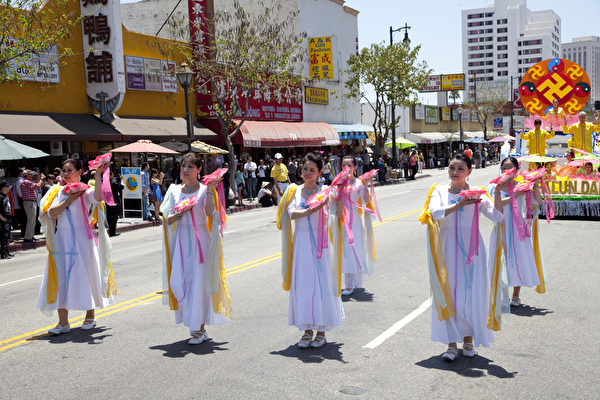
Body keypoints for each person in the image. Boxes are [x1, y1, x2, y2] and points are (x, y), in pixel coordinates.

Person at [419, 153, 505, 361]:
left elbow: (497, 216)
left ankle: (468, 340)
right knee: (449, 293)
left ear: (469, 172)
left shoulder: (478, 193)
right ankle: (451, 344)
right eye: (452, 168)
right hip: (447, 248)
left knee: (470, 293)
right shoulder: (439, 190)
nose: (455, 172)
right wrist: (460, 204)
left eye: (460, 169)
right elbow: (434, 213)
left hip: (472, 249)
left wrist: (498, 191)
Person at [37, 158, 115, 334]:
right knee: (61, 278)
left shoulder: (85, 191)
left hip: (82, 240)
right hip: (61, 240)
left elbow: (97, 198)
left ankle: (90, 315)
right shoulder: (57, 191)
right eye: (63, 171)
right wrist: (68, 200)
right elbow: (51, 213)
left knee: (86, 275)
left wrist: (98, 175)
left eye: (70, 170)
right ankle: (63, 322)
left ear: (80, 172)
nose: (66, 174)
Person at [160, 152, 231, 344]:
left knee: (198, 284)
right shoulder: (174, 191)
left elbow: (209, 212)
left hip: (201, 242)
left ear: (199, 170)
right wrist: (180, 212)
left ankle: (199, 328)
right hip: (181, 242)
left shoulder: (204, 190)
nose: (185, 170)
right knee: (179, 282)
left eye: (190, 167)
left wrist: (210, 189)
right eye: (183, 166)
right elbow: (167, 218)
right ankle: (193, 322)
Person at [276, 152, 343, 348]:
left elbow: (338, 212)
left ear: (320, 172)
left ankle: (321, 331)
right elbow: (291, 214)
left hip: (321, 245)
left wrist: (341, 193)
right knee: (303, 285)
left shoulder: (326, 191)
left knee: (321, 284)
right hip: (301, 244)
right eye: (305, 169)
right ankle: (306, 330)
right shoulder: (294, 191)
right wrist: (310, 210)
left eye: (312, 170)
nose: (307, 173)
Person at [489, 157, 544, 308]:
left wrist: (535, 184)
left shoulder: (522, 185)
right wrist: (515, 195)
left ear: (516, 170)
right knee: (501, 261)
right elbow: (496, 207)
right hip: (501, 227)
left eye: (510, 168)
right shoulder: (495, 187)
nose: (507, 171)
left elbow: (538, 201)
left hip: (518, 229)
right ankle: (501, 295)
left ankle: (516, 295)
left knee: (518, 261)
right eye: (504, 168)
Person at [336, 156, 376, 296]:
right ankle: (348, 284)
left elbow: (365, 200)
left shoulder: (358, 183)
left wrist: (365, 185)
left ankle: (354, 282)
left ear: (354, 167)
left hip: (354, 220)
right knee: (345, 250)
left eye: (349, 165)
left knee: (355, 247)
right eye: (344, 165)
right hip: (342, 219)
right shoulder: (338, 182)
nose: (346, 168)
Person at [19, 170, 42, 242]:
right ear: (26, 175)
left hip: (30, 202)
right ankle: (28, 237)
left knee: (32, 220)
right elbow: (38, 185)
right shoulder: (26, 182)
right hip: (30, 202)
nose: (32, 176)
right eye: (30, 174)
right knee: (31, 220)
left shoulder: (25, 182)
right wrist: (41, 179)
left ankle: (31, 235)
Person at [107, 168, 123, 237]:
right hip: (114, 201)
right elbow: (121, 187)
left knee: (109, 216)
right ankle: (113, 232)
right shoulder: (113, 183)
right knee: (114, 217)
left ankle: (111, 231)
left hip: (107, 201)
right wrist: (121, 180)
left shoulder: (105, 183)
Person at [0, 181, 12, 259]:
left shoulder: (5, 196)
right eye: (7, 187)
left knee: (7, 236)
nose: (8, 188)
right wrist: (1, 217)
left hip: (8, 218)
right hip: (3, 219)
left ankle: (7, 252)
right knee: (4, 236)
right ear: (2, 188)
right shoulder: (0, 196)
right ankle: (3, 254)